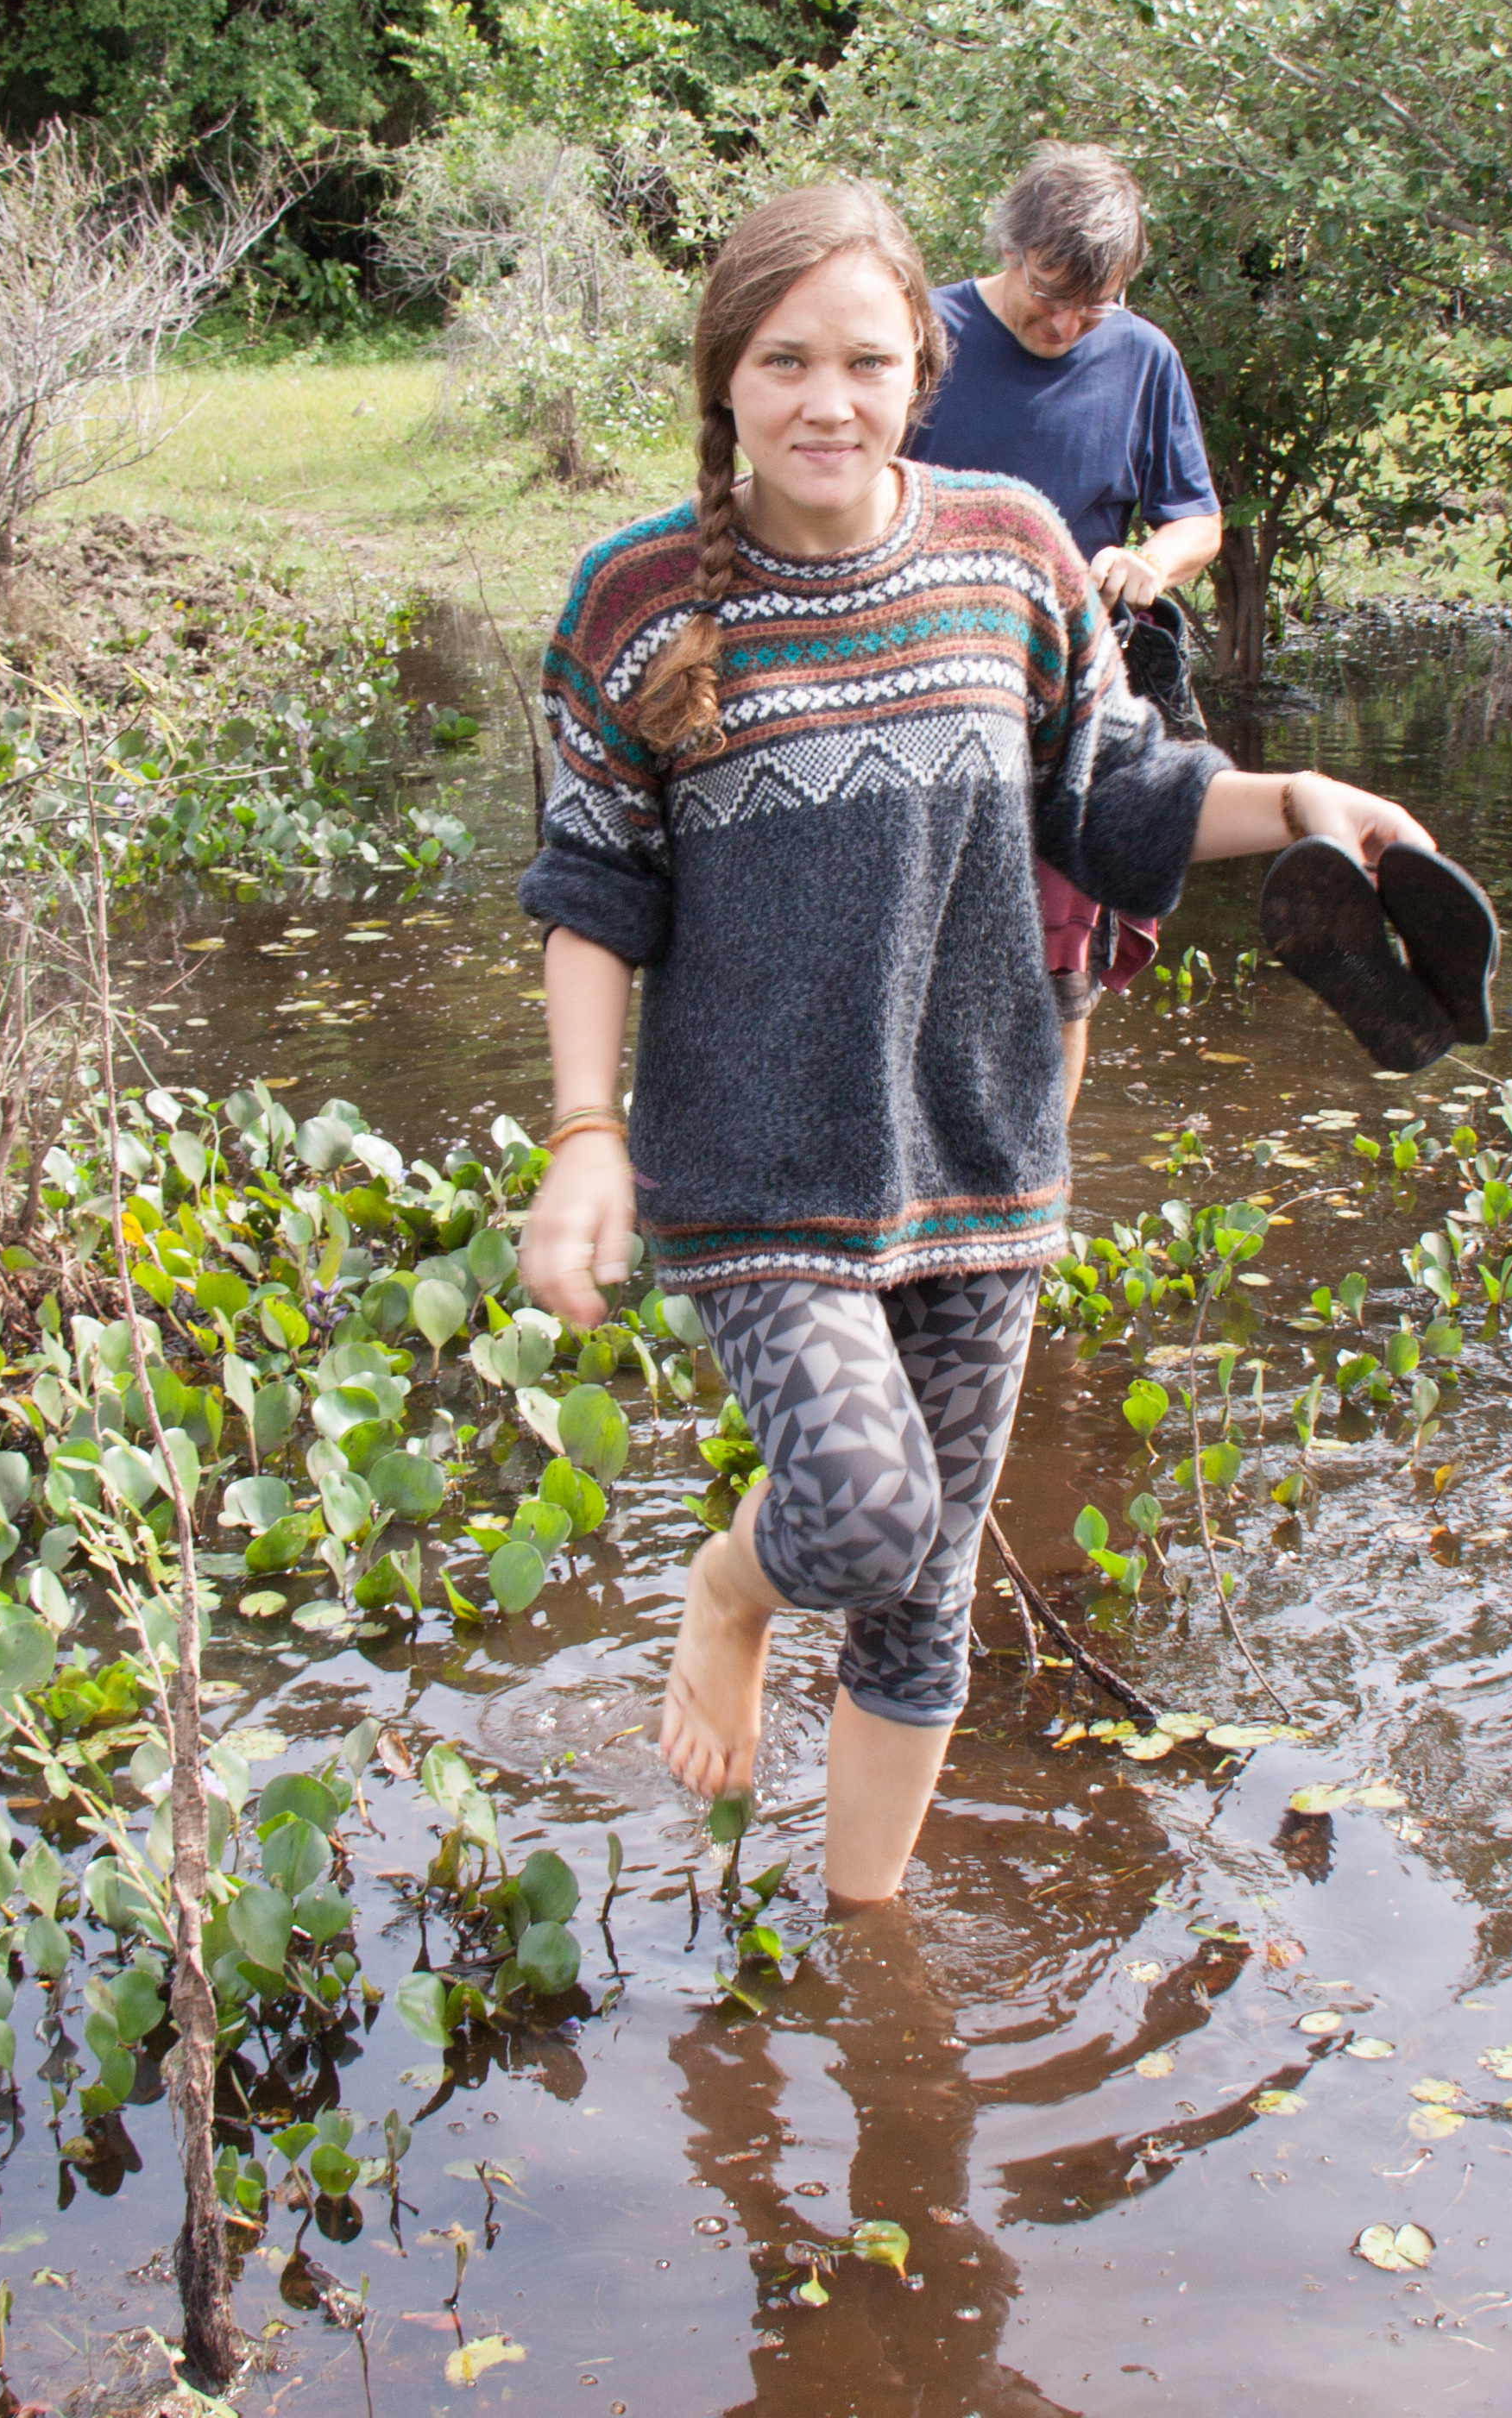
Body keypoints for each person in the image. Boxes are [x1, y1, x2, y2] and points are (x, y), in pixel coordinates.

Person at [513, 179, 1430, 1911]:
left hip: (983, 1142)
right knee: (856, 1511)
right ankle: (725, 1596)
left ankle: (868, 1944)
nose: (826, 403)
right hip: (765, 1162)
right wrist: (584, 1132)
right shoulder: (632, 599)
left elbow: (1114, 796)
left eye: (867, 361)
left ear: (922, 368)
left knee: (924, 1590)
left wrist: (1301, 798)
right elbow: (592, 885)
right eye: (784, 362)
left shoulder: (1007, 548)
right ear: (726, 378)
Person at [905, 143, 1228, 1119]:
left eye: (1093, 304)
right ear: (1010, 248)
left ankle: (1039, 1190)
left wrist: (1153, 564)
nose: (1064, 322)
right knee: (910, 959)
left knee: (1060, 969)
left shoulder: (1143, 357)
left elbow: (1197, 519)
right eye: (1048, 293)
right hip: (925, 690)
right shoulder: (927, 337)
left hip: (1070, 705)